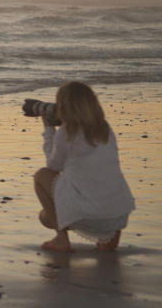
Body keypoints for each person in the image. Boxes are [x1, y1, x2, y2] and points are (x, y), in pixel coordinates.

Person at [33, 81, 136, 252]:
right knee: (103, 178)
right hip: (119, 214)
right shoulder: (105, 128)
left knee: (41, 180)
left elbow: (52, 166)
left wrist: (49, 130)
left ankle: (61, 239)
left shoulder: (66, 133)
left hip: (91, 214)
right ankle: (109, 236)